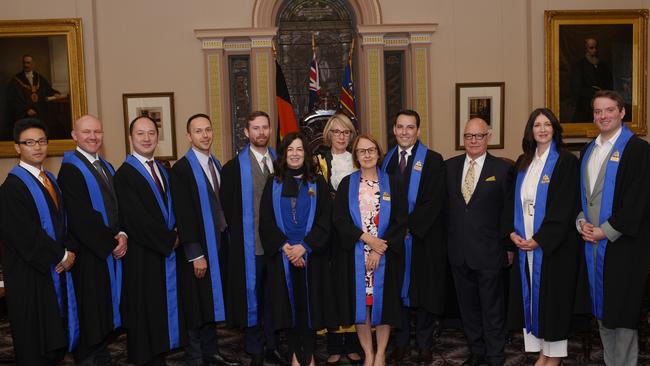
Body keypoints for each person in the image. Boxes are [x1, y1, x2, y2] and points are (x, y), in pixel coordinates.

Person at [576, 90, 650, 366]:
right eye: (597, 111)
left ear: (622, 113)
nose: (602, 116)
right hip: (593, 245)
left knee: (623, 313)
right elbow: (581, 195)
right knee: (603, 312)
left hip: (624, 246)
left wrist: (605, 230)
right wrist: (581, 222)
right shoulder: (587, 150)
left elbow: (638, 200)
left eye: (609, 110)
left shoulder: (638, 150)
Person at [0, 118, 78, 365]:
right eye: (29, 142)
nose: (37, 147)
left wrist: (69, 250)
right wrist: (61, 256)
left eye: (42, 141)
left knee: (54, 343)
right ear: (17, 147)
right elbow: (26, 236)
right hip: (30, 277)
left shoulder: (49, 180)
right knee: (35, 346)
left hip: (52, 270)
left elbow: (65, 222)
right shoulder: (11, 188)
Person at [505, 108, 580, 365]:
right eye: (537, 125)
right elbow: (511, 201)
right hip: (526, 242)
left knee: (553, 301)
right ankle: (542, 352)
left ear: (555, 129)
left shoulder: (566, 162)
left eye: (547, 124)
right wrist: (512, 234)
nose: (543, 129)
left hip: (554, 246)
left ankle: (554, 356)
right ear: (530, 131)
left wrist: (541, 238)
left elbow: (565, 206)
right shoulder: (523, 162)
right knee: (534, 299)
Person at [114, 116, 186, 365]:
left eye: (151, 133)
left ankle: (159, 358)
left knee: (159, 314)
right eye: (140, 134)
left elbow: (175, 208)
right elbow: (135, 219)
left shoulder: (163, 171)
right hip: (142, 256)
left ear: (157, 137)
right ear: (130, 138)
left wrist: (178, 232)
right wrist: (170, 240)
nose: (147, 138)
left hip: (163, 253)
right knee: (144, 314)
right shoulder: (124, 174)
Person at [220, 111, 288, 366]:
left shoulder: (280, 162)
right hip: (250, 248)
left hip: (277, 247)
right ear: (246, 133)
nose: (261, 132)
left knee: (274, 298)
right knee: (253, 298)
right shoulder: (233, 168)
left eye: (265, 128)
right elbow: (228, 209)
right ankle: (254, 347)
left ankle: (272, 344)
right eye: (255, 128)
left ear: (270, 131)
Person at [171, 113, 239, 366]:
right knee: (195, 303)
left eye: (208, 130)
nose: (205, 135)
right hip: (198, 249)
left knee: (210, 300)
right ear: (189, 136)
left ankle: (212, 352)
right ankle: (195, 356)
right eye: (198, 131)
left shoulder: (217, 164)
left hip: (219, 244)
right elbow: (183, 214)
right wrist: (195, 253)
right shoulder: (181, 169)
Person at [58, 114, 126, 365]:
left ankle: (100, 351)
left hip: (106, 247)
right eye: (86, 132)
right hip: (88, 253)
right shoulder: (71, 170)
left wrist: (122, 233)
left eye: (97, 132)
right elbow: (81, 217)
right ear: (74, 136)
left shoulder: (106, 167)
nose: (93, 137)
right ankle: (88, 356)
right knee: (89, 309)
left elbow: (117, 207)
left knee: (103, 307)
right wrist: (111, 243)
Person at [333, 134, 407, 366]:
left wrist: (378, 249)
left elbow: (400, 220)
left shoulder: (393, 182)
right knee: (362, 305)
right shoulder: (347, 184)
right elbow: (340, 220)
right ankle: (368, 353)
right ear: (356, 156)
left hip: (385, 256)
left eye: (371, 150)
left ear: (378, 153)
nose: (367, 155)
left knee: (384, 306)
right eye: (361, 151)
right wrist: (365, 238)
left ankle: (381, 353)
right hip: (355, 257)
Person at [259, 132, 331, 366]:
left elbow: (325, 220)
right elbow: (266, 221)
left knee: (308, 309)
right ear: (283, 154)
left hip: (311, 256)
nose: (295, 154)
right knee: (288, 309)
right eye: (290, 149)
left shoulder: (317, 182)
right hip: (283, 256)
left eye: (299, 149)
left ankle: (308, 354)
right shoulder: (273, 182)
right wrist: (287, 247)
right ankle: (293, 355)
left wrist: (306, 247)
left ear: (306, 154)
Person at [445, 118, 513, 366]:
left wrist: (508, 246)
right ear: (463, 139)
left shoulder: (503, 170)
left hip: (489, 251)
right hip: (459, 252)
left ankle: (495, 355)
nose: (473, 140)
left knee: (492, 309)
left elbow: (508, 213)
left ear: (489, 137)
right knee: (468, 308)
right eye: (468, 136)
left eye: (479, 136)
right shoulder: (449, 168)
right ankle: (477, 351)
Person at [380, 109, 446, 365]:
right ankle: (401, 341)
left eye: (410, 127)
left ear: (418, 131)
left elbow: (434, 201)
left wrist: (409, 227)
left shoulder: (433, 160)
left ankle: (425, 344)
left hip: (424, 239)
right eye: (400, 127)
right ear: (394, 130)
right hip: (395, 242)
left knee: (424, 293)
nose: (405, 132)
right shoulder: (385, 161)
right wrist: (397, 231)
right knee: (397, 292)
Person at [313, 114, 362, 365]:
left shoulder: (360, 158)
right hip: (327, 234)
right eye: (337, 132)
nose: (342, 137)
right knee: (331, 287)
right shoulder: (318, 160)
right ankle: (334, 344)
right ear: (329, 134)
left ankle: (353, 343)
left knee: (352, 286)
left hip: (354, 232)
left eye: (346, 133)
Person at [5, 55, 65, 135]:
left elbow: (48, 90)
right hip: (24, 114)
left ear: (33, 64)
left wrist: (55, 93)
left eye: (28, 63)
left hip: (39, 113)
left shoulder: (39, 78)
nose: (26, 65)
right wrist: (26, 110)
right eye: (24, 63)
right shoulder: (15, 80)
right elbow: (13, 100)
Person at [570, 38, 613, 122]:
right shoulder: (579, 66)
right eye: (591, 48)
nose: (594, 50)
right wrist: (593, 92)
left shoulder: (603, 65)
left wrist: (603, 92)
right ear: (586, 49)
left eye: (596, 48)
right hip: (585, 105)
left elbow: (609, 83)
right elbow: (576, 87)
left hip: (603, 103)